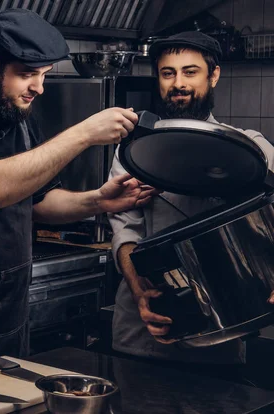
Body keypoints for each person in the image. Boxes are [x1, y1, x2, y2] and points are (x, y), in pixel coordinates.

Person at [0, 8, 158, 376]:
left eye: (44, 74)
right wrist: (83, 134)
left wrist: (99, 200)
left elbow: (38, 202)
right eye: (27, 74)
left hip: (11, 318)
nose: (39, 87)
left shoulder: (20, 117)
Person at [108, 31, 274, 371]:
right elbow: (125, 234)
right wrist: (140, 291)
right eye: (168, 73)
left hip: (223, 332)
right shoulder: (136, 152)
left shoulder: (248, 147)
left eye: (190, 71)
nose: (178, 83)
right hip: (142, 337)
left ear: (213, 75)